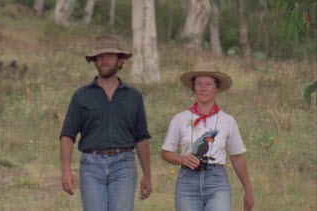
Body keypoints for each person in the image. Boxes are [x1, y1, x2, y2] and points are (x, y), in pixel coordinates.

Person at [59, 34, 152, 211]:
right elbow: (67, 135)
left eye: (109, 56)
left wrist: (147, 175)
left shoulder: (133, 96)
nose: (104, 60)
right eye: (99, 57)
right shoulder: (81, 95)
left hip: (124, 164)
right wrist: (66, 170)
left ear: (120, 60)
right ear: (94, 61)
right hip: (91, 165)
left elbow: (141, 137)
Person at [161, 63, 254, 211]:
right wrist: (182, 159)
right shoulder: (180, 119)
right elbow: (166, 152)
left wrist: (248, 190)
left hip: (217, 181)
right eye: (199, 84)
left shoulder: (227, 121)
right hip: (187, 182)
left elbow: (237, 157)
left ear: (217, 88)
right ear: (193, 88)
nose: (203, 88)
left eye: (208, 84)